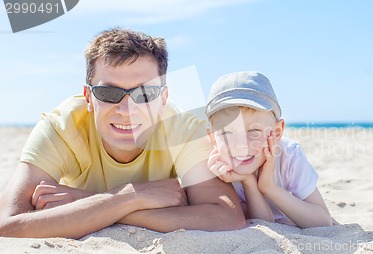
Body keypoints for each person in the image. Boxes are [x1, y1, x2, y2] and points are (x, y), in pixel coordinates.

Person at [0, 28, 245, 239]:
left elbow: (226, 216)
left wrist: (87, 204)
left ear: (163, 98)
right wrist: (129, 197)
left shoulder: (184, 128)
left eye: (145, 94)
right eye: (109, 94)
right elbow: (8, 225)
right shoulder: (62, 126)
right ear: (88, 97)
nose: (127, 111)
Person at [206, 71, 333, 228]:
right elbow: (264, 225)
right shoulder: (215, 167)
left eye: (253, 131)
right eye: (226, 133)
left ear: (277, 132)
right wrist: (249, 181)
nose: (241, 144)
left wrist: (269, 187)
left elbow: (323, 222)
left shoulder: (290, 155)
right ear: (213, 138)